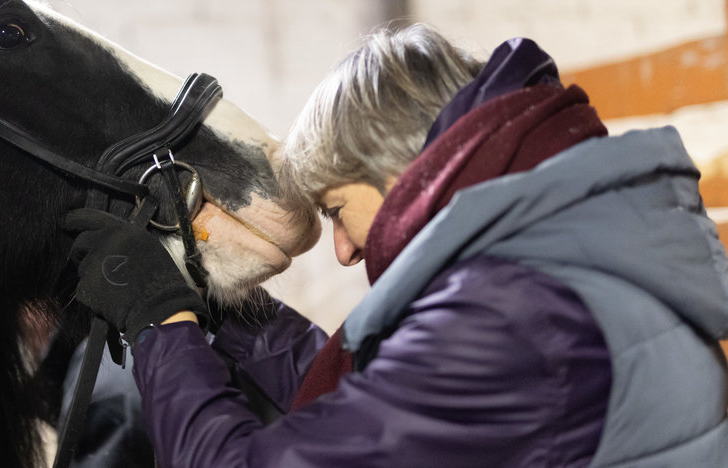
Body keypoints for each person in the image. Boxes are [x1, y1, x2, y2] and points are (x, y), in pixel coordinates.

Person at [64, 23, 728, 467]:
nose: (346, 251)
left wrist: (161, 323)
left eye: (337, 211)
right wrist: (225, 306)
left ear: (401, 171)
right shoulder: (563, 256)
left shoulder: (511, 318)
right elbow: (377, 408)